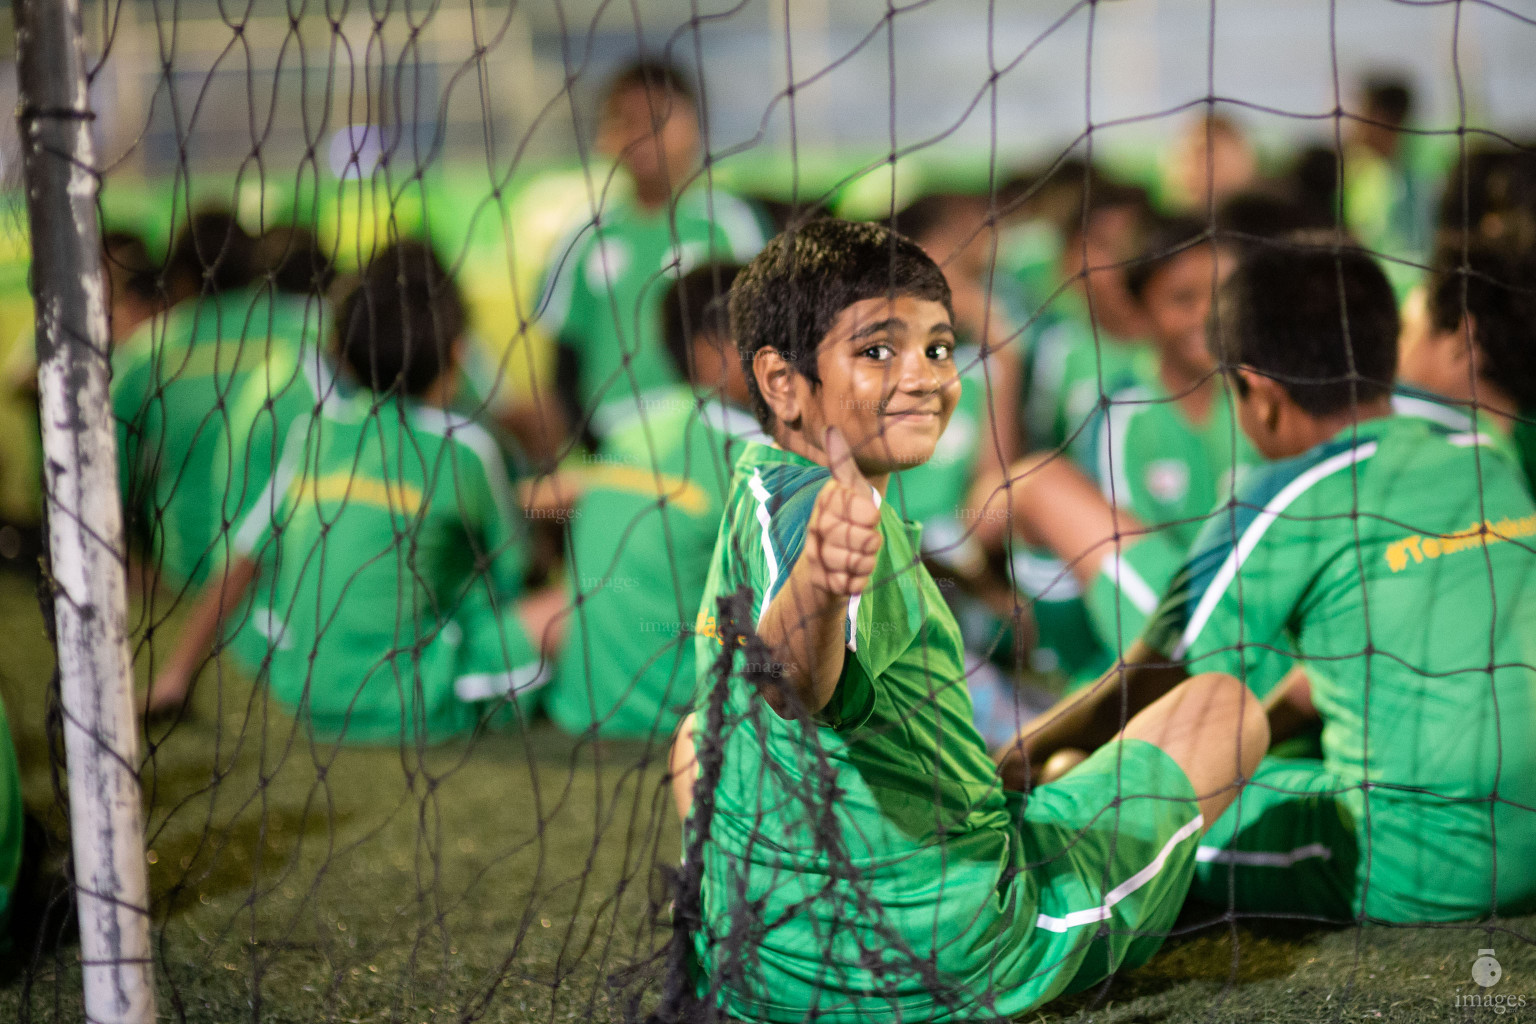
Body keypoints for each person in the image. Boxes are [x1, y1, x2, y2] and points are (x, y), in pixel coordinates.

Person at [671, 218, 1266, 1020]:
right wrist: (819, 580)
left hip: (752, 972)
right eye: (879, 351)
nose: (922, 377)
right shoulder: (842, 526)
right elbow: (791, 682)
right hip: (948, 961)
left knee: (693, 735)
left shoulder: (759, 485)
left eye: (939, 348)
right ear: (782, 381)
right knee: (1223, 705)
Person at [1007, 239, 1536, 923]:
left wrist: (1017, 759)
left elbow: (1159, 677)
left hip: (1419, 862)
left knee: (1107, 815)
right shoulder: (1481, 455)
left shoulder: (1285, 495)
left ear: (1258, 394)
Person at [143, 243, 563, 742]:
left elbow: (242, 560)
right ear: (458, 354)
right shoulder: (466, 447)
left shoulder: (314, 432)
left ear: (340, 351)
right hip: (410, 703)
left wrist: (174, 674)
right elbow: (510, 570)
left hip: (301, 692)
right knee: (569, 605)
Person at [538, 263, 765, 741]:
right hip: (683, 724)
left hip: (580, 713)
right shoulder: (755, 453)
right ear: (709, 349)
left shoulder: (626, 424)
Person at [531, 58, 766, 448]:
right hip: (611, 443)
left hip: (711, 439)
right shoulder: (582, 236)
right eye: (623, 121)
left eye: (656, 120)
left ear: (694, 126)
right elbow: (564, 362)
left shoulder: (731, 225)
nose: (639, 136)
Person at [112, 210, 307, 591]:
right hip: (288, 564)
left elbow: (105, 475)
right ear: (257, 265)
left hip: (183, 575)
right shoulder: (311, 330)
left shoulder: (146, 353)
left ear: (180, 274)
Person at [1395, 237, 1536, 491]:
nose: (1397, 349)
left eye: (1406, 329)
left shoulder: (1451, 470)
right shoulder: (1516, 445)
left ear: (1462, 342)